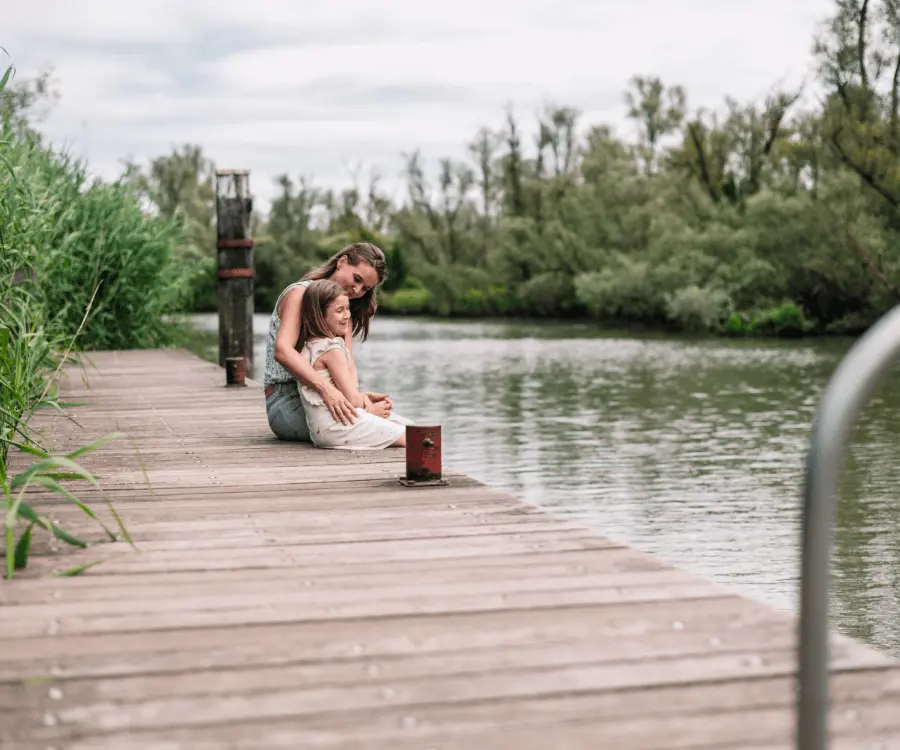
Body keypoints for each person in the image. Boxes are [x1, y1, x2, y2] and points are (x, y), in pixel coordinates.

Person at [263, 242, 392, 441]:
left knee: (399, 424)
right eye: (356, 279)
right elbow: (282, 351)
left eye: (365, 288)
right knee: (383, 428)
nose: (357, 290)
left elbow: (347, 363)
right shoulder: (300, 294)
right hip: (287, 402)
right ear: (342, 262)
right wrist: (328, 390)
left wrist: (358, 400)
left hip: (322, 398)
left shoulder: (345, 309)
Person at [296, 279, 413, 449]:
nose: (347, 315)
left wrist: (364, 397)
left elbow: (340, 393)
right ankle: (424, 474)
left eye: (347, 308)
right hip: (342, 426)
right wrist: (372, 409)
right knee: (417, 436)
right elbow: (354, 401)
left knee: (408, 426)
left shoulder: (309, 346)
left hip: (324, 429)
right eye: (339, 310)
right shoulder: (331, 349)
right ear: (319, 315)